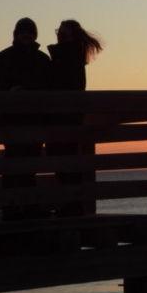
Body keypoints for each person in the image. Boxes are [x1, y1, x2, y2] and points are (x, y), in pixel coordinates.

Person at [0, 18, 53, 221]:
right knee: (13, 164)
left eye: (30, 32)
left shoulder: (43, 60)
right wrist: (10, 93)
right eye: (23, 32)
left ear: (35, 35)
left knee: (30, 165)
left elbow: (50, 89)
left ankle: (30, 206)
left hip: (35, 121)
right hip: (11, 121)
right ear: (16, 34)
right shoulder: (1, 59)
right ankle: (11, 207)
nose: (27, 35)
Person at [47, 20, 103, 217]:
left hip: (64, 117)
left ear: (70, 36)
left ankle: (71, 205)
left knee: (65, 160)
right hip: (67, 117)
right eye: (58, 32)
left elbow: (60, 84)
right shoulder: (72, 55)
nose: (59, 35)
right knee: (65, 159)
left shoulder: (68, 56)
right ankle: (71, 204)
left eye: (62, 33)